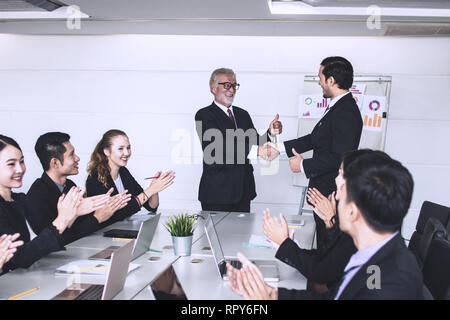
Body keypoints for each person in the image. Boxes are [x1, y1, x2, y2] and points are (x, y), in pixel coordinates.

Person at [227, 150, 423, 300]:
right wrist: (272, 294)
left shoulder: (389, 283)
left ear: (352, 212)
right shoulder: (375, 257)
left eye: (342, 192)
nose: (336, 196)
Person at [265, 57, 363, 251]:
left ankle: (325, 281)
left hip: (330, 197)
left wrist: (302, 166)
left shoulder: (346, 112)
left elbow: (340, 157)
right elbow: (314, 139)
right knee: (323, 246)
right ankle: (321, 279)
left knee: (329, 248)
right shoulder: (337, 108)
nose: (319, 82)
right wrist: (278, 148)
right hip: (323, 193)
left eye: (320, 77)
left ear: (331, 80)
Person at [262, 150, 379, 294]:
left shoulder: (361, 230)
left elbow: (322, 273)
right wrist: (330, 223)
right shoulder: (361, 221)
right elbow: (328, 260)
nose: (336, 180)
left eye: (341, 174)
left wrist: (286, 244)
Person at [195, 67, 282, 213]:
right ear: (213, 88)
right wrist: (258, 150)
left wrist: (270, 133)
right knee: (217, 236)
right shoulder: (204, 115)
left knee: (243, 235)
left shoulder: (242, 114)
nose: (232, 90)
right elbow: (218, 147)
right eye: (227, 85)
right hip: (217, 194)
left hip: (243, 191)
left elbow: (255, 142)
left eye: (234, 85)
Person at [0, 135, 86, 274]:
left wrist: (72, 215)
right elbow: (18, 259)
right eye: (11, 164)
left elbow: (44, 241)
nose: (20, 169)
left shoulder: (21, 200)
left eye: (21, 161)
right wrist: (62, 220)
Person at [26, 132, 131, 243]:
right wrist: (97, 218)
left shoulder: (70, 186)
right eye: (72, 154)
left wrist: (103, 208)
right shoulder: (37, 197)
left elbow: (81, 228)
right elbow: (53, 241)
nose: (77, 158)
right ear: (55, 163)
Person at [85, 129, 174, 227]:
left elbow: (151, 206)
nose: (127, 153)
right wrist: (151, 190)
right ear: (106, 151)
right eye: (121, 148)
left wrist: (154, 189)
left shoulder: (123, 172)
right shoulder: (95, 178)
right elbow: (118, 215)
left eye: (128, 148)